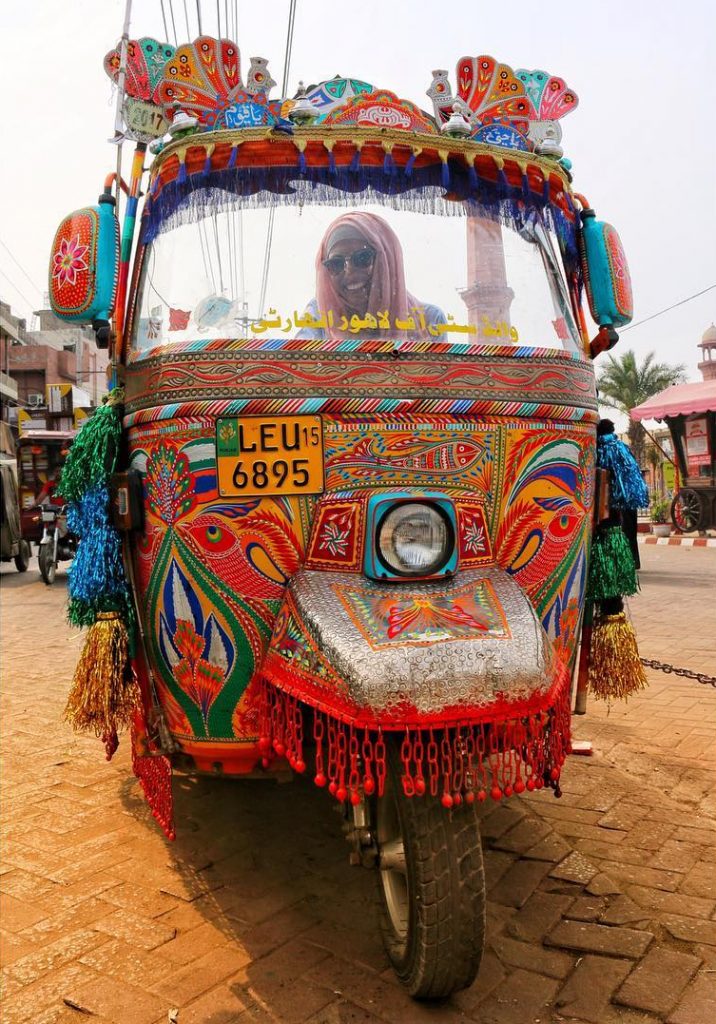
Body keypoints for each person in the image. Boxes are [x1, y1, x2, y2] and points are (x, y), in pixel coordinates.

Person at [296, 211, 445, 340]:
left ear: (386, 260)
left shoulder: (430, 321)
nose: (349, 271)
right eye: (336, 264)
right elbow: (296, 362)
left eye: (362, 258)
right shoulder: (321, 313)